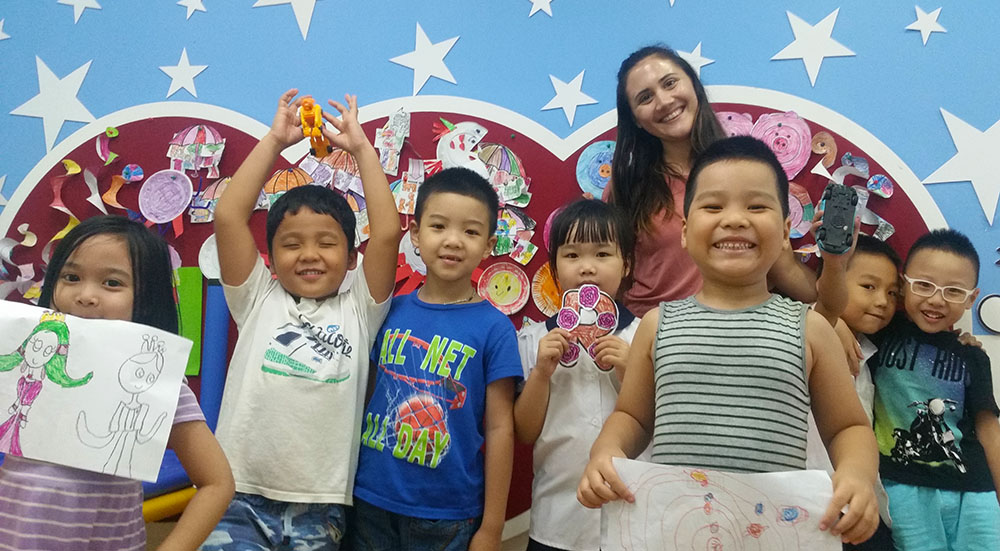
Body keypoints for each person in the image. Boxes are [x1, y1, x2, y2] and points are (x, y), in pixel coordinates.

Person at [578, 136, 880, 546]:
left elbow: (848, 427)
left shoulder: (808, 328)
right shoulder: (656, 325)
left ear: (786, 230)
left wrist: (858, 476)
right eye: (713, 206)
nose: (735, 219)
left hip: (775, 534)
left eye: (756, 206)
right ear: (685, 232)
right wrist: (604, 453)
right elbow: (633, 417)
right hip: (676, 531)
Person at [205, 89, 401, 550]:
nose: (309, 255)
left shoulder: (359, 308)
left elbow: (388, 231)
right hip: (236, 493)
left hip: (320, 504)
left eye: (326, 243)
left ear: (352, 257)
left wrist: (361, 150)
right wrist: (275, 140)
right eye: (292, 244)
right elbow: (228, 216)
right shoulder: (256, 297)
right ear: (269, 259)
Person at [0, 215, 234, 551]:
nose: (85, 295)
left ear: (147, 298)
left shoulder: (155, 382)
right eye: (71, 277)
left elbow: (217, 482)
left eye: (112, 283)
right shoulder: (31, 362)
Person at [351, 167, 522, 551]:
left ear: (489, 244)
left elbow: (499, 430)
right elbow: (364, 398)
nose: (453, 241)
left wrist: (492, 528)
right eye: (439, 226)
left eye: (471, 231)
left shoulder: (495, 329)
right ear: (415, 234)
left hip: (446, 513)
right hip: (370, 499)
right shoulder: (387, 311)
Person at [605, 45, 816, 316]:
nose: (664, 101)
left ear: (693, 84)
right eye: (645, 98)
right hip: (653, 339)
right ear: (634, 119)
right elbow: (613, 281)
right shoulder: (625, 187)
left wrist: (830, 314)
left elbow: (784, 269)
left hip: (737, 334)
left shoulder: (748, 171)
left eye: (670, 83)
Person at [514, 199, 640, 551]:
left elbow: (663, 422)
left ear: (626, 263)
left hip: (634, 519)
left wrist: (630, 370)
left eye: (602, 254)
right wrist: (541, 373)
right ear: (554, 270)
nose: (587, 268)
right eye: (571, 256)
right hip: (557, 522)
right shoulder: (533, 339)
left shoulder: (646, 336)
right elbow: (524, 432)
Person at [867, 229, 1000, 551]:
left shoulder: (973, 356)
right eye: (924, 285)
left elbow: (987, 427)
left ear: (971, 298)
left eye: (953, 291)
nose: (937, 299)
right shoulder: (881, 331)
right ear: (903, 285)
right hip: (902, 484)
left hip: (974, 488)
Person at [809, 233, 904, 550]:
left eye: (893, 293)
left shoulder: (875, 352)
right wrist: (828, 319)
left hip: (859, 502)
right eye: (869, 287)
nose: (882, 301)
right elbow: (815, 313)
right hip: (808, 499)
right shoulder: (803, 326)